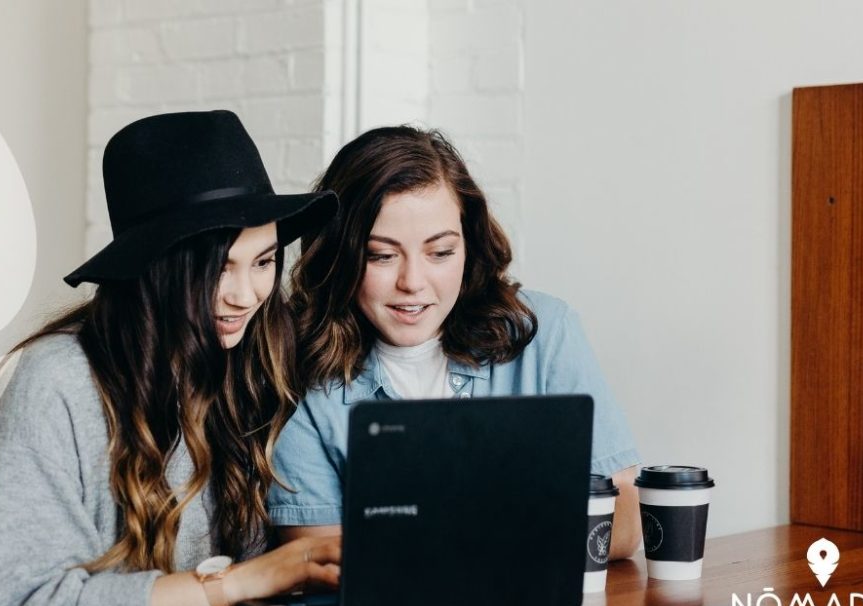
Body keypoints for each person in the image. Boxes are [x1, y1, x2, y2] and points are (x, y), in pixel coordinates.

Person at [0, 111, 342, 606]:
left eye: (264, 261)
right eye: (218, 267)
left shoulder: (243, 369)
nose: (246, 293)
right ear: (158, 267)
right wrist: (238, 583)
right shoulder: (56, 382)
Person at [268, 126, 643, 559]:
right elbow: (317, 559)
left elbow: (624, 522)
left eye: (440, 252)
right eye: (381, 256)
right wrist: (519, 524)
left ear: (469, 245)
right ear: (340, 256)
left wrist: (434, 541)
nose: (412, 282)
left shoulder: (543, 332)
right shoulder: (298, 368)